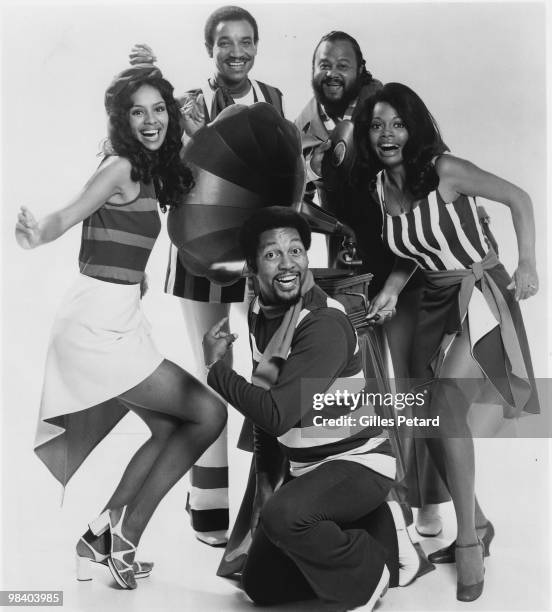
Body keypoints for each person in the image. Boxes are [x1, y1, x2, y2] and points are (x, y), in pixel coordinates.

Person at [15, 65, 226, 590]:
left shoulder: (156, 170)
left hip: (120, 316)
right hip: (94, 324)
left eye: (159, 109)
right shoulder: (117, 167)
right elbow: (65, 217)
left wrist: (134, 283)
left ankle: (102, 538)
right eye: (139, 111)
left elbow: (208, 155)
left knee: (170, 426)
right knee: (206, 412)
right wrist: (35, 233)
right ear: (123, 120)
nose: (151, 120)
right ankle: (122, 539)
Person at [356, 82, 540, 601]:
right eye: (377, 125)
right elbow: (411, 251)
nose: (387, 134)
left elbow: (519, 198)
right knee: (426, 416)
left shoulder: (445, 169)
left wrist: (526, 262)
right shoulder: (379, 186)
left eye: (397, 123)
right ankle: (477, 521)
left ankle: (468, 546)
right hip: (435, 301)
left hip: (479, 289)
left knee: (440, 407)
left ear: (413, 126)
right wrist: (391, 293)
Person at [129, 5, 284, 546]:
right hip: (199, 253)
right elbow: (158, 163)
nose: (236, 52)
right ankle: (210, 507)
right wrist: (148, 80)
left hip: (259, 257)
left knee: (268, 374)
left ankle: (266, 504)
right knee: (211, 372)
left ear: (257, 46)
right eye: (224, 43)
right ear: (209, 49)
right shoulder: (186, 102)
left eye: (246, 42)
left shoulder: (274, 100)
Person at [202, 206, 408, 611]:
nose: (287, 263)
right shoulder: (263, 312)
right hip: (309, 469)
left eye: (295, 250)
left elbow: (277, 413)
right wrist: (264, 486)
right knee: (262, 586)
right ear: (252, 267)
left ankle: (371, 570)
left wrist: (215, 369)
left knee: (285, 517)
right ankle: (369, 527)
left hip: (358, 463)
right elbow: (264, 410)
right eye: (272, 254)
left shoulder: (323, 323)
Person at [296, 30, 448, 535]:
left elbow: (427, 188)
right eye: (324, 63)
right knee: (364, 389)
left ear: (361, 68)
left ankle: (425, 503)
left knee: (410, 388)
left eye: (344, 64)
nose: (332, 72)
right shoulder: (304, 122)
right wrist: (323, 222)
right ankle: (379, 503)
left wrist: (398, 280)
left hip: (407, 268)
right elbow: (305, 200)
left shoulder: (385, 110)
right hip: (350, 271)